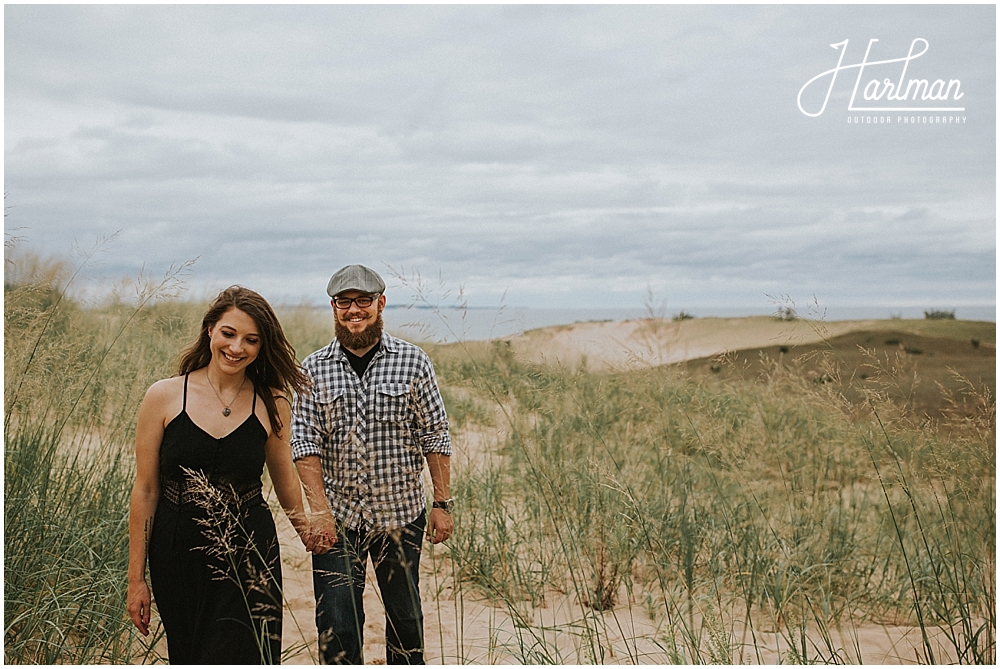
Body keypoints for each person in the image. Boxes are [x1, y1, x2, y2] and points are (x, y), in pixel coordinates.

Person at [127, 286, 325, 664]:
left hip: (251, 547)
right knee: (190, 654)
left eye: (251, 340)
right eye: (229, 334)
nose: (237, 348)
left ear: (261, 347)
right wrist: (137, 580)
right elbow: (147, 489)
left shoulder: (273, 401)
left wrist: (308, 533)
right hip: (177, 550)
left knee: (248, 652)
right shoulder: (164, 396)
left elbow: (284, 482)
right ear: (210, 331)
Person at [291, 264, 453, 665]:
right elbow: (304, 441)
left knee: (405, 620)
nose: (354, 310)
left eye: (363, 301)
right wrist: (319, 512)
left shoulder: (414, 362)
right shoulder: (312, 370)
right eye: (344, 302)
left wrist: (442, 503)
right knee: (337, 625)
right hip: (339, 519)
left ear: (381, 303)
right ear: (334, 307)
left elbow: (435, 434)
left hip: (400, 515)